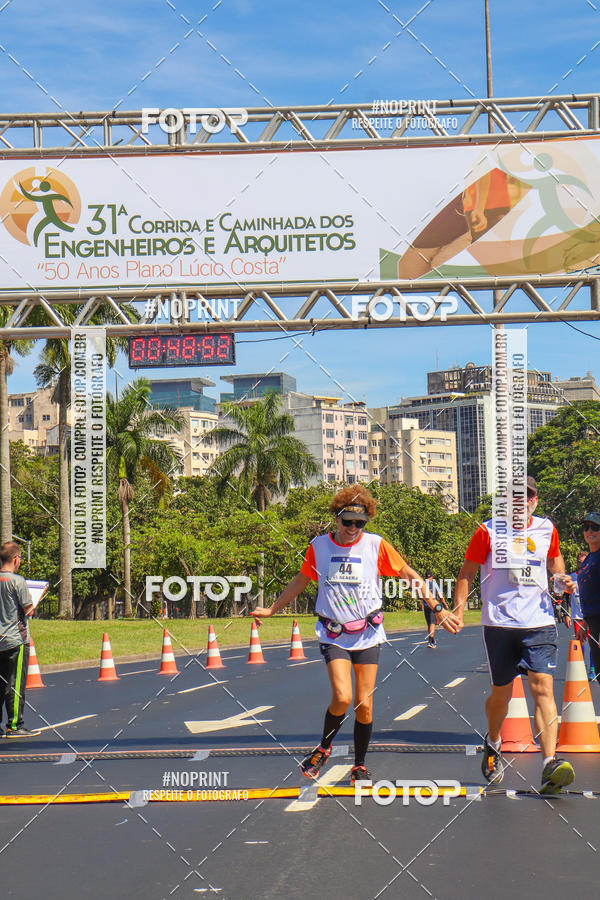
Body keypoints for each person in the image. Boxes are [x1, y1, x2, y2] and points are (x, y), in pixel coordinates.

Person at [253, 485, 462, 784]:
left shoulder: (376, 546)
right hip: (333, 633)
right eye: (347, 521)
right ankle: (324, 748)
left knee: (364, 703)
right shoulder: (320, 547)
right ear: (336, 518)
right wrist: (272, 609)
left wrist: (437, 607)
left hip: (367, 633)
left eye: (359, 523)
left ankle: (359, 765)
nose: (352, 528)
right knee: (342, 696)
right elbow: (301, 580)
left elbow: (408, 575)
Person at [453, 477, 575, 794]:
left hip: (540, 621)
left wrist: (563, 581)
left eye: (528, 497)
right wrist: (458, 610)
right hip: (500, 624)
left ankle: (549, 764)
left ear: (536, 500)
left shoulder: (547, 529)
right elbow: (467, 572)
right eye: (515, 498)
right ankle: (494, 740)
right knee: (501, 695)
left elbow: (555, 563)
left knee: (543, 687)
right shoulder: (488, 531)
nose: (522, 502)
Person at [0, 541, 40, 737]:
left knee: (0, 683)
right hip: (16, 639)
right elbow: (28, 610)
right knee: (15, 684)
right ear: (16, 559)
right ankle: (14, 725)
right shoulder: (17, 581)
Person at [578, 512, 600, 683]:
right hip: (593, 621)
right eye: (586, 527)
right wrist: (585, 623)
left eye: (595, 528)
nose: (589, 531)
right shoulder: (589, 559)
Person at [422, 570, 446, 649]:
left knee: (429, 624)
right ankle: (431, 641)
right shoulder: (434, 584)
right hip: (433, 606)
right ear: (432, 576)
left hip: (426, 606)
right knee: (432, 624)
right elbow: (440, 596)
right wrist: (445, 604)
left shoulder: (423, 584)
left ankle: (431, 640)